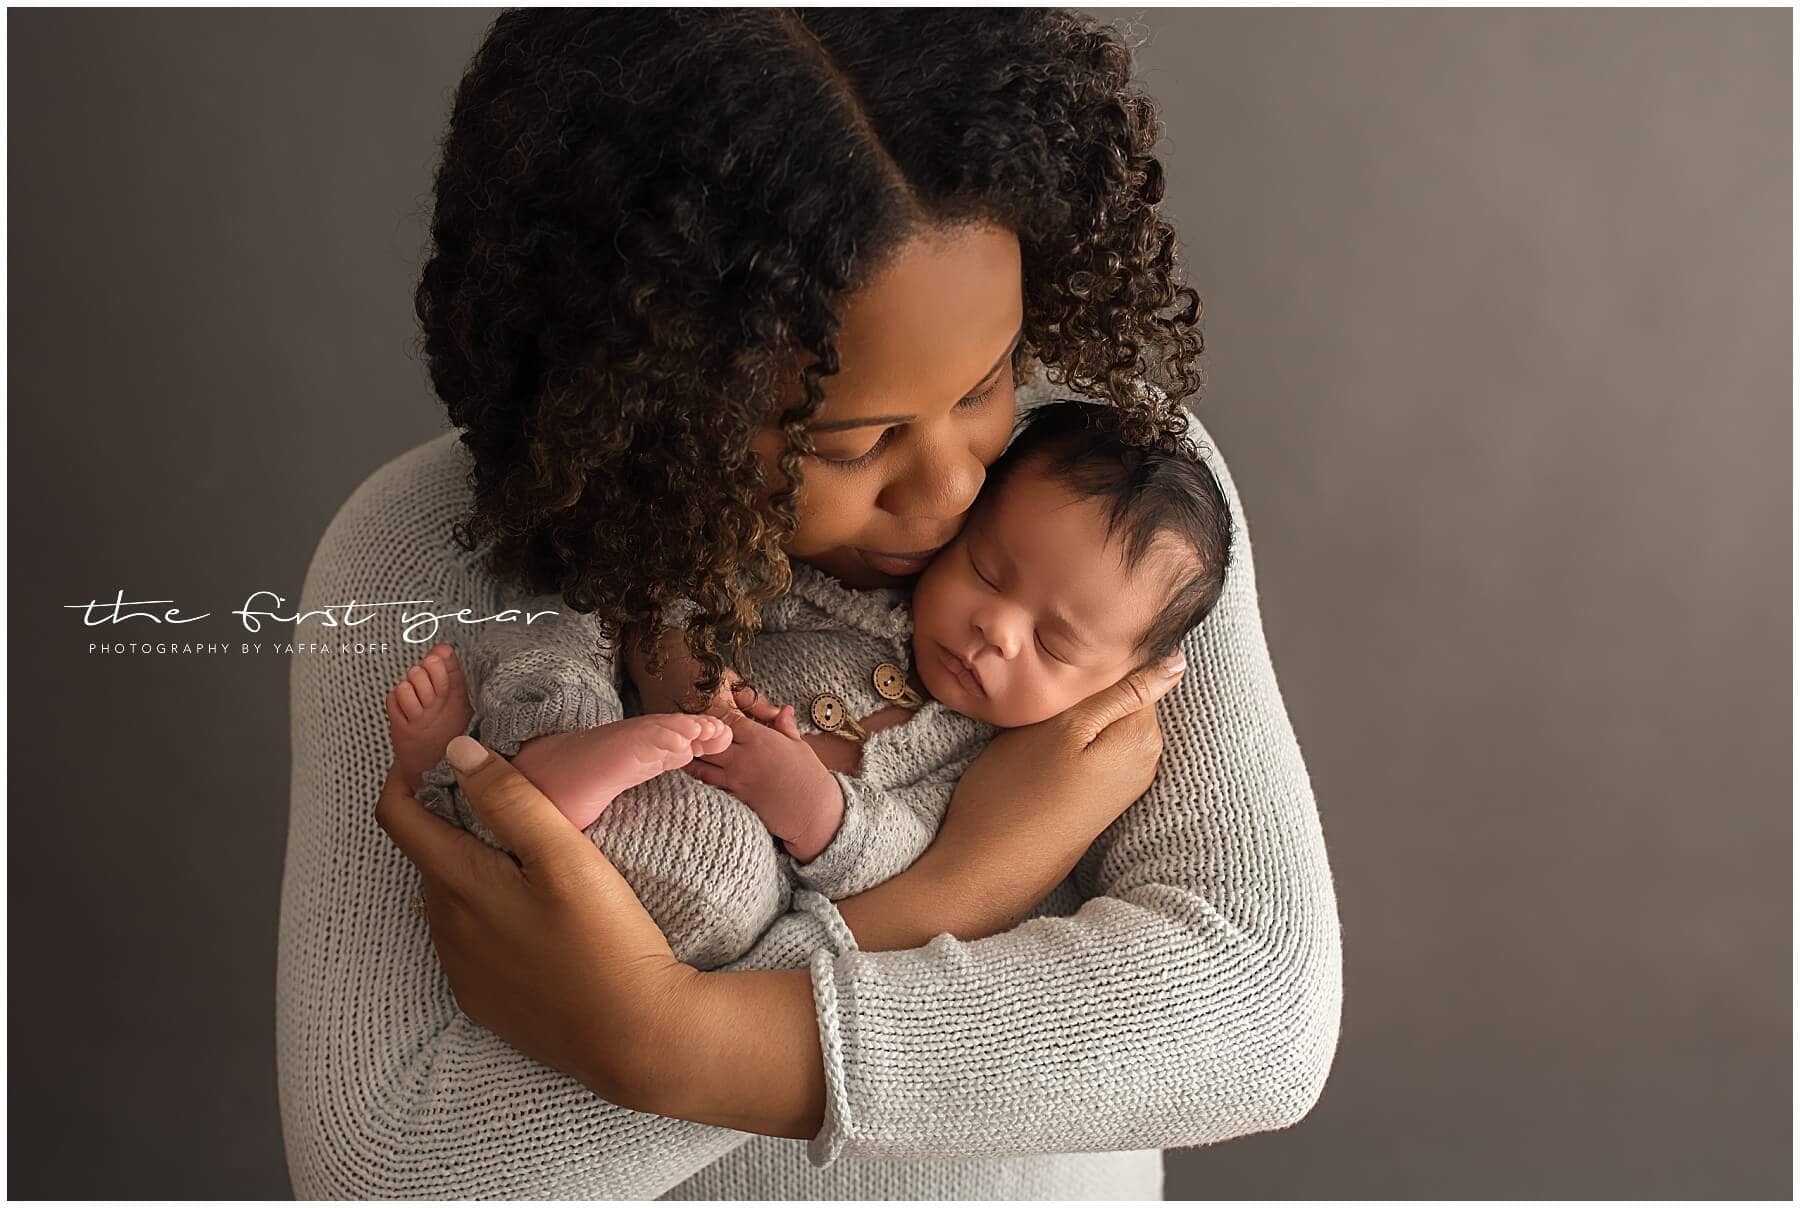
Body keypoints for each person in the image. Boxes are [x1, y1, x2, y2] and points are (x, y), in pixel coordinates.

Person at [277, 9, 1342, 1199]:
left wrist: (673, 1028)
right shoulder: (431, 552)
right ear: (653, 390)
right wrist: (953, 890)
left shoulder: (1111, 493)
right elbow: (389, 1163)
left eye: (988, 379)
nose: (953, 488)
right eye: (856, 440)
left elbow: (1257, 1009)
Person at [384, 399, 1235, 971]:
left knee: (729, 883)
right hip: (630, 720)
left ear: (1119, 682)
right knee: (577, 626)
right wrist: (692, 668)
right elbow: (683, 590)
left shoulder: (994, 760)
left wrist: (811, 805)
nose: (995, 629)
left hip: (693, 857)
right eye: (985, 569)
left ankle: (483, 787)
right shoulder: (843, 593)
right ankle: (529, 759)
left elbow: (912, 864)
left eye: (1053, 643)